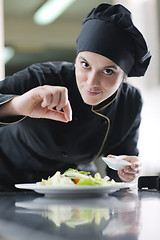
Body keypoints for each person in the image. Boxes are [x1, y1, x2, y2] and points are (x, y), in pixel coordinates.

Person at [0, 3, 151, 191]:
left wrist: (127, 170)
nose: (91, 82)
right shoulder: (43, 78)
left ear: (124, 77)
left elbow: (120, 163)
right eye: (85, 65)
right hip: (6, 174)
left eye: (108, 71)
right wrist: (18, 105)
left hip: (69, 185)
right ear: (76, 60)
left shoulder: (130, 102)